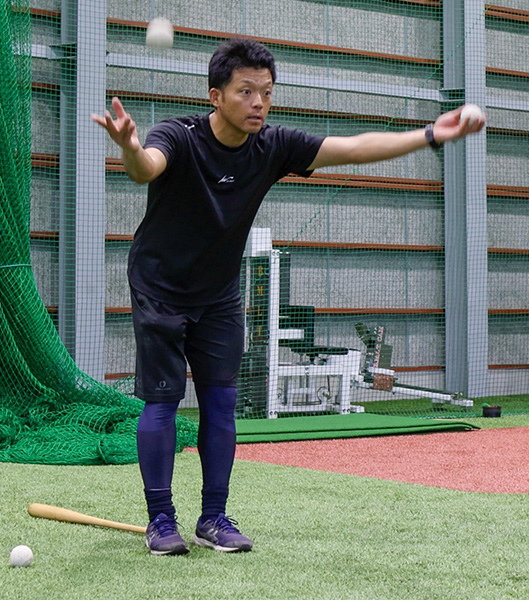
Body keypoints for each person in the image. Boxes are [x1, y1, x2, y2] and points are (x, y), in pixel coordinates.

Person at [92, 37, 485, 556]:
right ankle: (160, 520)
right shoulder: (179, 136)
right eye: (246, 91)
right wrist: (127, 147)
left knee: (222, 402)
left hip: (218, 293)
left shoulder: (272, 146)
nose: (259, 103)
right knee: (163, 401)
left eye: (267, 93)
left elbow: (352, 148)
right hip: (160, 288)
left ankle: (213, 518)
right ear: (216, 96)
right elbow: (147, 167)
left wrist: (432, 134)